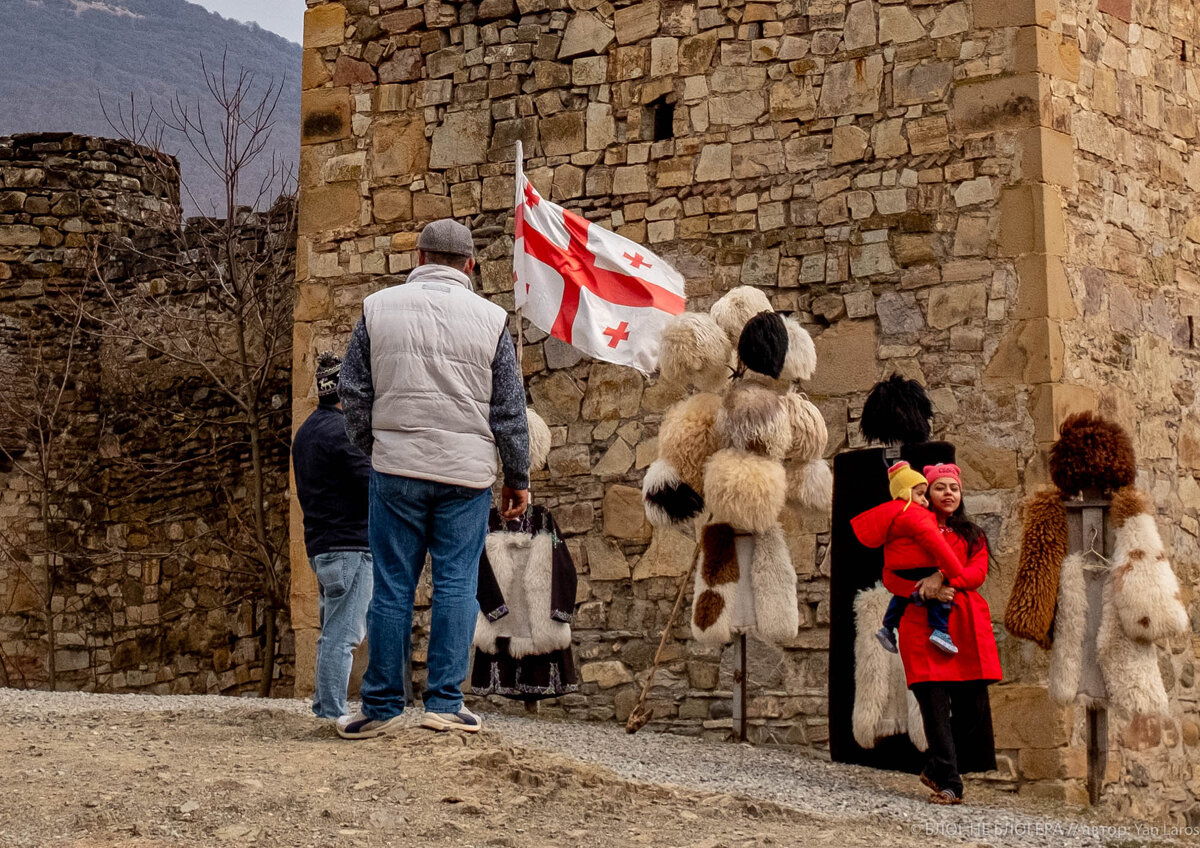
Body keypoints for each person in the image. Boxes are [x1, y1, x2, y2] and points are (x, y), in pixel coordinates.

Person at [337, 218, 531, 739]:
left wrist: (375, 446)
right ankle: (445, 702)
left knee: (393, 586)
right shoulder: (492, 319)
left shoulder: (377, 309)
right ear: (469, 265)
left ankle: (381, 706)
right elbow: (509, 410)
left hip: (396, 467)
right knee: (455, 585)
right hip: (465, 476)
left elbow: (352, 390)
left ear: (419, 259)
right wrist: (518, 476)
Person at [884, 463, 1002, 806]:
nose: (948, 493)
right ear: (925, 493)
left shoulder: (973, 535)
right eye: (940, 488)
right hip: (921, 623)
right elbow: (891, 576)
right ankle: (951, 784)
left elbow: (976, 573)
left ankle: (938, 767)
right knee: (933, 706)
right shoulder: (906, 530)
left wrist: (944, 578)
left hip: (964, 625)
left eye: (954, 488)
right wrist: (923, 589)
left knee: (973, 708)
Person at [291, 352, 373, 722]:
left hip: (321, 545)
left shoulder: (305, 432)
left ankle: (325, 706)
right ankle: (331, 713)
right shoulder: (343, 433)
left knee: (330, 632)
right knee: (343, 636)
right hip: (350, 545)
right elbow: (373, 484)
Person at [851, 461, 966, 656]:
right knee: (938, 602)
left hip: (901, 571)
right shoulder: (914, 514)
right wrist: (954, 570)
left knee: (899, 600)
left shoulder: (891, 514)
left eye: (954, 488)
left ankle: (887, 628)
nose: (925, 501)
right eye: (921, 494)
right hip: (920, 569)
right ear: (906, 492)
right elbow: (937, 545)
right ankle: (940, 631)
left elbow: (890, 574)